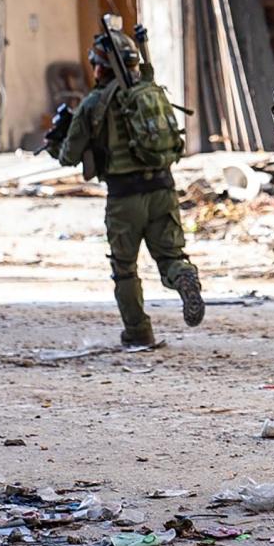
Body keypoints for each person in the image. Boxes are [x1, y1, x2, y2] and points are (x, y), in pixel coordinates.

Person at [48, 27, 204, 347]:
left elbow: (68, 156)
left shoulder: (94, 103)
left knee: (125, 269)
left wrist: (56, 140)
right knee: (170, 256)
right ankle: (183, 276)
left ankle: (138, 331)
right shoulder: (151, 92)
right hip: (163, 189)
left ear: (100, 67)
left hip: (124, 199)